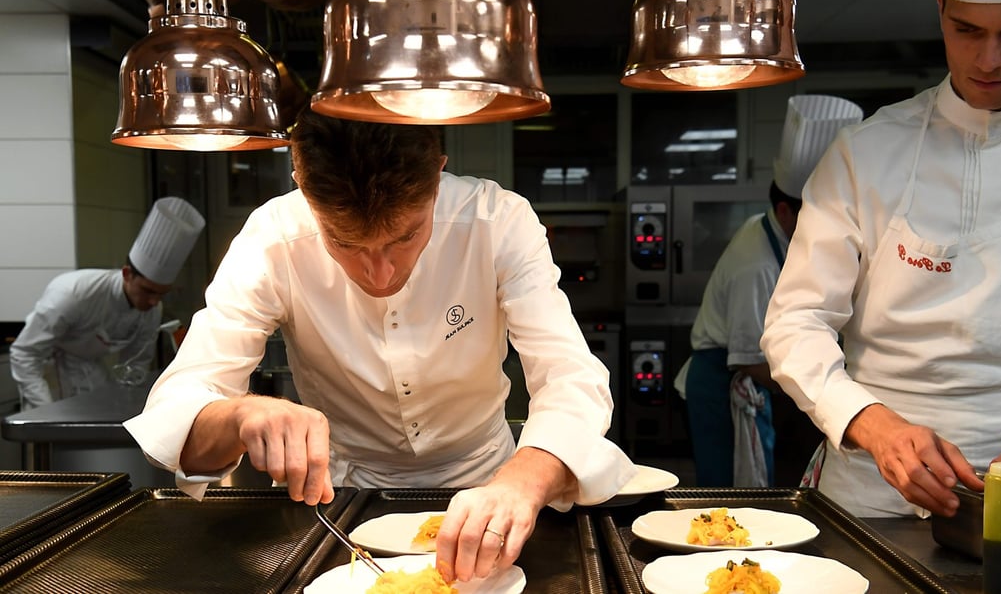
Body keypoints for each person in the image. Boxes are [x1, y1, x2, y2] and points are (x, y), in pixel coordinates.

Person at [123, 107, 635, 583]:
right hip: (340, 501)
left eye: (406, 237)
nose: (380, 273)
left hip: (489, 485)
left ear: (437, 174)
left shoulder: (497, 220)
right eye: (345, 243)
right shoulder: (272, 238)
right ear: (302, 186)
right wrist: (239, 414)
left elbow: (570, 376)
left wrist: (522, 482)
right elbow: (181, 404)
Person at [760, 0, 1001, 518]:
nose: (988, 60)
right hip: (874, 494)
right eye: (967, 31)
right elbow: (795, 324)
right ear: (941, 13)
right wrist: (875, 426)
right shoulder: (867, 152)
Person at [677, 95, 864, 487]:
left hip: (742, 378)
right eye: (815, 213)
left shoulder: (768, 232)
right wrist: (820, 390)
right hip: (721, 384)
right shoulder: (757, 263)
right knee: (728, 489)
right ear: (785, 211)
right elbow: (747, 359)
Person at [10, 197, 205, 410]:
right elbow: (24, 353)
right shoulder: (73, 294)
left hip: (92, 377)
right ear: (127, 274)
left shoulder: (152, 309)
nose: (154, 301)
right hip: (46, 377)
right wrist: (45, 412)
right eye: (148, 291)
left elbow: (135, 366)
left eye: (161, 294)